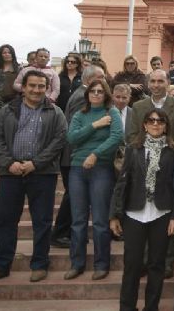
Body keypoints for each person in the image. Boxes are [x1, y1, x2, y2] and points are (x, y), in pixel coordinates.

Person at [0, 71, 66, 284]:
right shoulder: (6, 111)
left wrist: (36, 163)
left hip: (42, 174)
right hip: (11, 173)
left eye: (41, 86)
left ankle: (39, 264)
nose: (36, 90)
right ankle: (0, 265)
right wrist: (9, 163)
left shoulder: (55, 112)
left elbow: (59, 140)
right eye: (32, 86)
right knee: (4, 220)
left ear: (47, 88)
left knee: (42, 221)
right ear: (24, 87)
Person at [110, 109, 174, 311]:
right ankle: (127, 307)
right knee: (132, 265)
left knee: (157, 265)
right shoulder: (133, 149)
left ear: (166, 125)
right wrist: (115, 214)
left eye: (160, 121)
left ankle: (152, 307)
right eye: (151, 120)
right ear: (144, 124)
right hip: (134, 213)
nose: (156, 124)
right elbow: (122, 182)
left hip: (162, 213)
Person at [129, 69, 174, 278]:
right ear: (148, 84)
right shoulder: (138, 107)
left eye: (160, 81)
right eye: (153, 81)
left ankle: (166, 262)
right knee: (145, 216)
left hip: (171, 163)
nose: (156, 85)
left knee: (167, 213)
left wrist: (168, 151)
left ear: (167, 82)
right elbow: (131, 135)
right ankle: (145, 261)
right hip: (143, 164)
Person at [64, 80, 123, 281]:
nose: (96, 94)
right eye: (93, 91)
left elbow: (116, 137)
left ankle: (101, 264)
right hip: (77, 169)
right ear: (87, 94)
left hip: (101, 169)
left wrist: (96, 154)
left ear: (106, 94)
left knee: (99, 220)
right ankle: (77, 263)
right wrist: (95, 125)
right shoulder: (80, 115)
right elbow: (72, 138)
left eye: (100, 91)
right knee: (78, 220)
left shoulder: (112, 113)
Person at [51, 65, 105, 249]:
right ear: (90, 80)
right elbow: (76, 129)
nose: (104, 81)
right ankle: (60, 233)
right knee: (71, 197)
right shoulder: (83, 96)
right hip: (74, 155)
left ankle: (67, 232)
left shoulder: (83, 94)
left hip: (76, 154)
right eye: (101, 77)